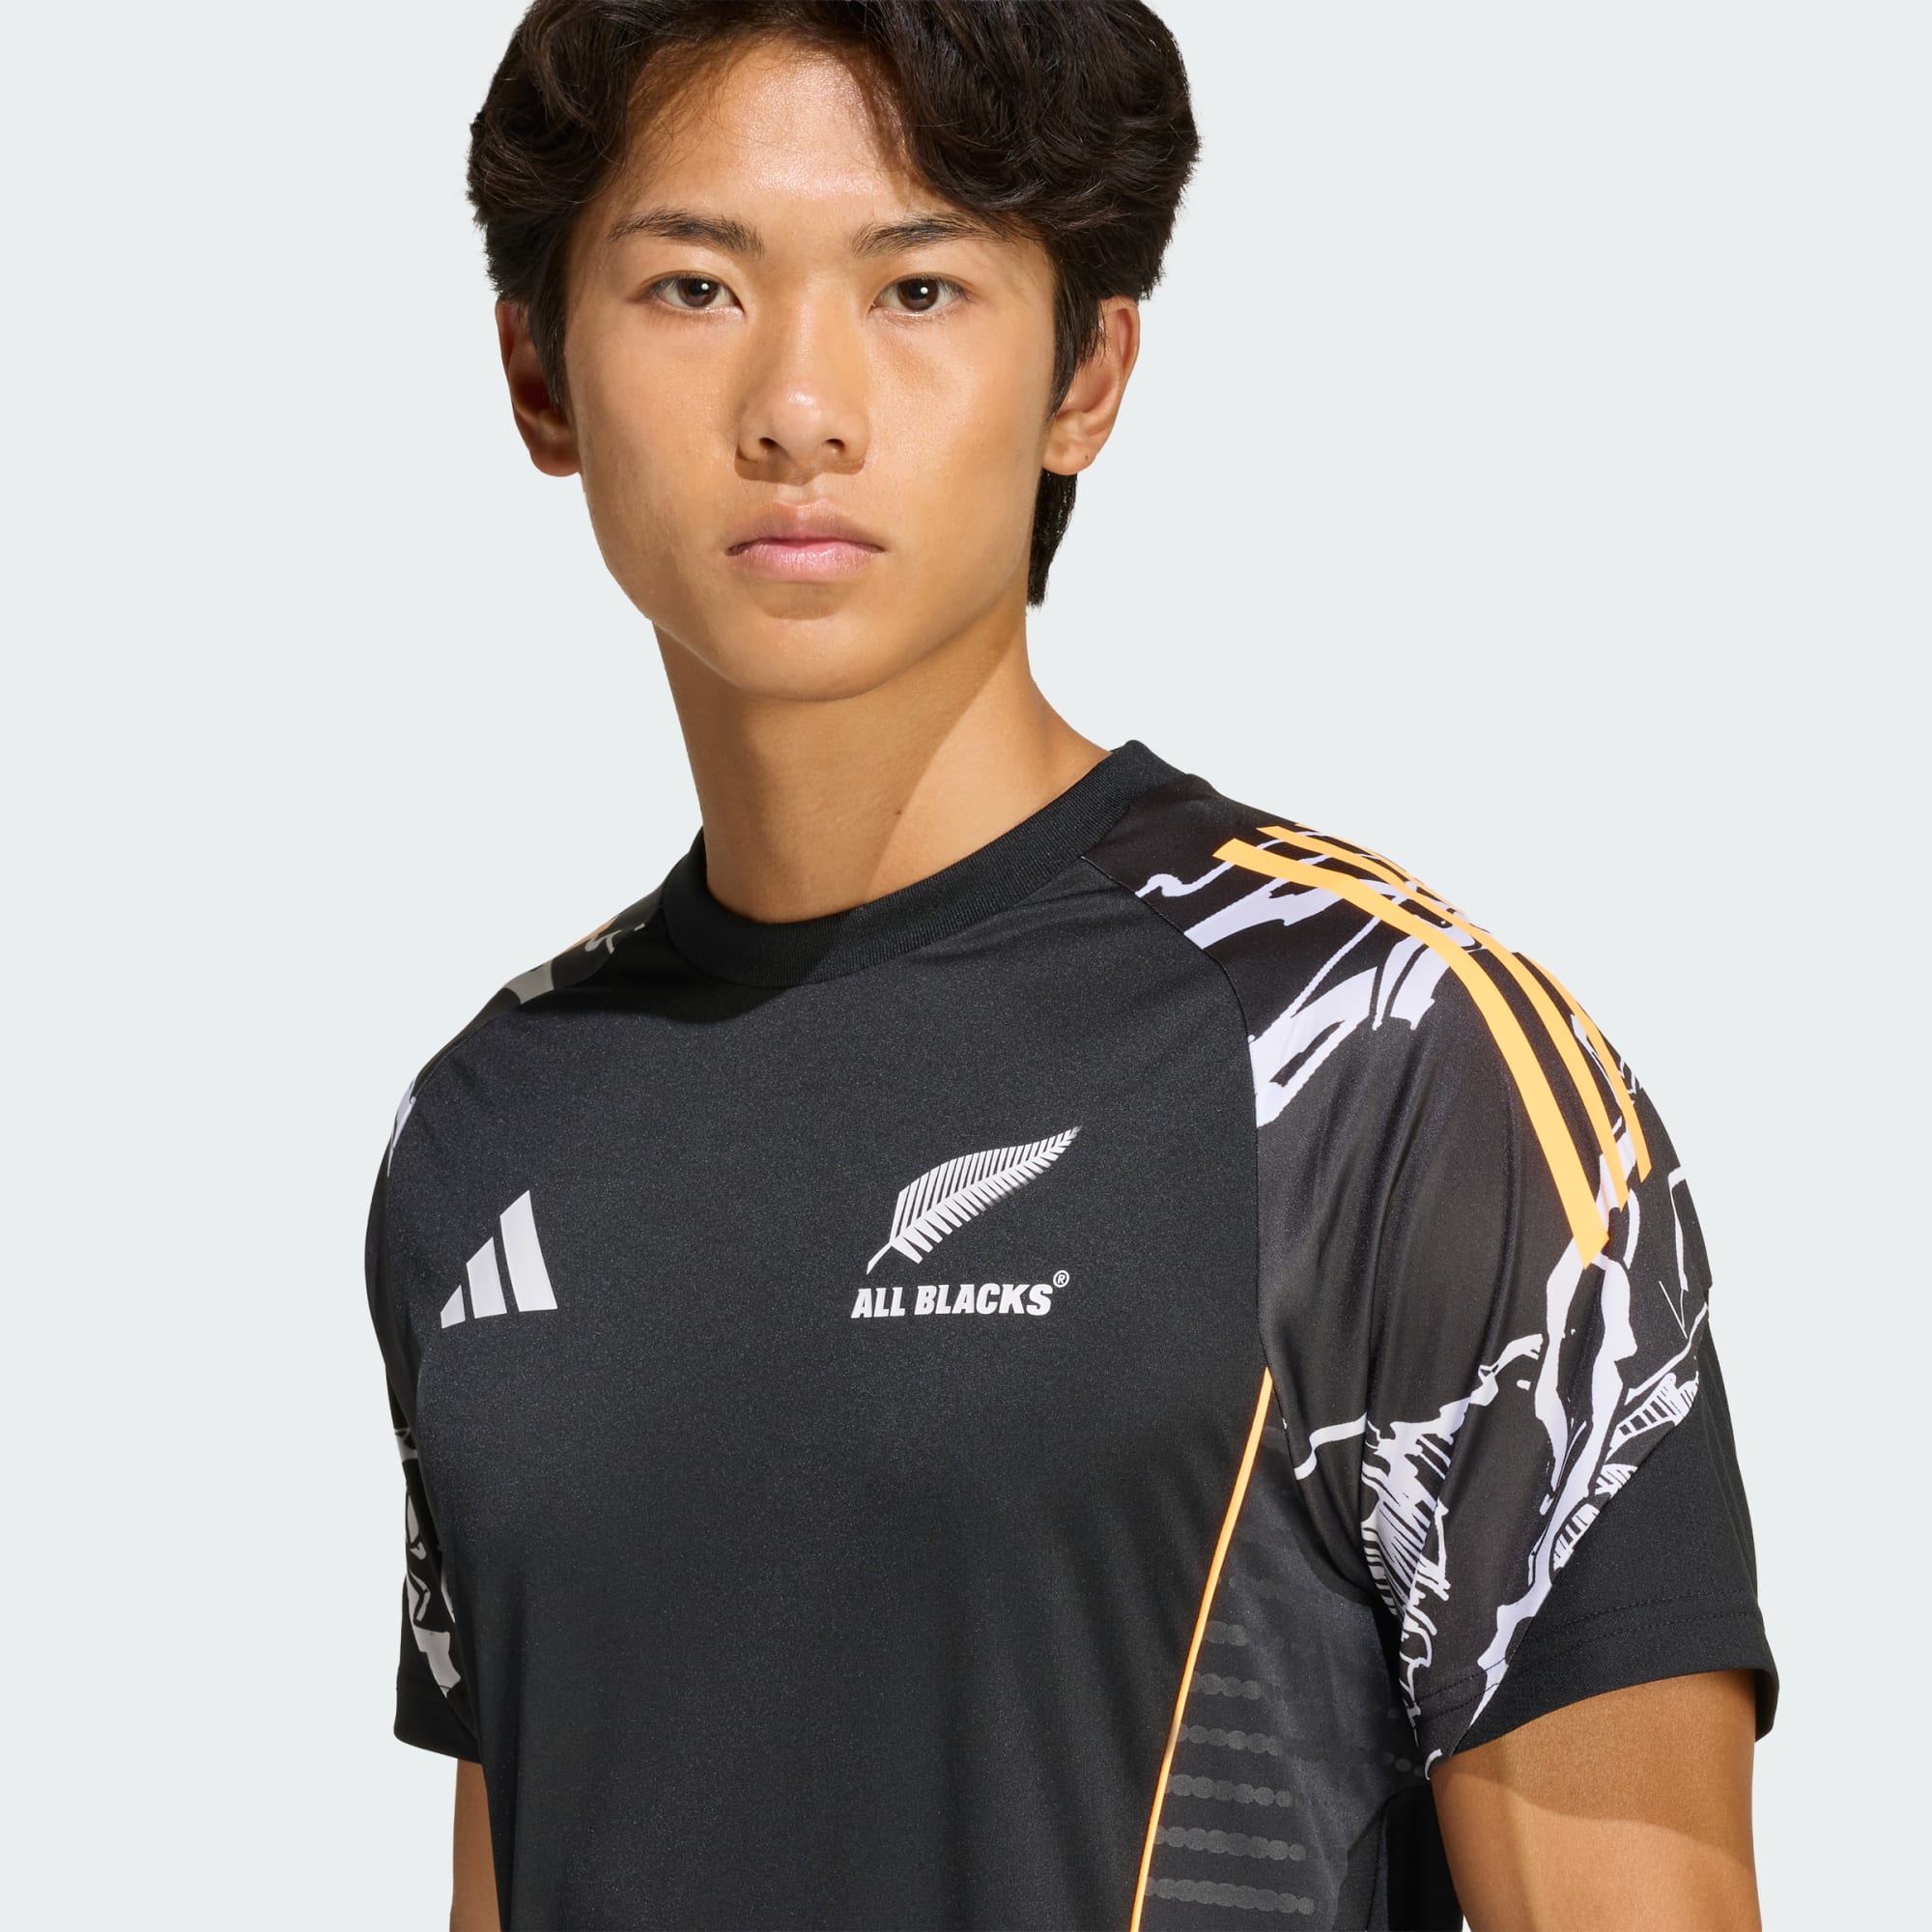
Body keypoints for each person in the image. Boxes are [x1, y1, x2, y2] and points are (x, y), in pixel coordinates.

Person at [363, 4, 1776, 1926]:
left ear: (1085, 376)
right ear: (538, 373)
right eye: (695, 286)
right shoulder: (488, 1128)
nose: (800, 406)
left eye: (917, 287)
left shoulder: (1383, 1065)